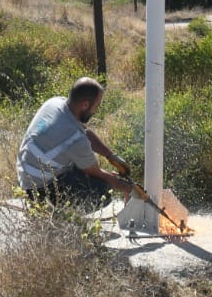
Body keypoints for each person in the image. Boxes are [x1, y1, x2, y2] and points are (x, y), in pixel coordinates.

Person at [16, 77, 135, 209]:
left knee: (81, 165)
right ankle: (56, 214)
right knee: (103, 191)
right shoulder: (75, 139)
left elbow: (85, 132)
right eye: (96, 106)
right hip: (37, 190)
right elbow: (97, 173)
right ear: (85, 105)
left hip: (24, 174)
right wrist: (126, 187)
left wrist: (111, 156)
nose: (96, 111)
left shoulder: (55, 103)